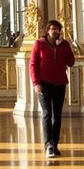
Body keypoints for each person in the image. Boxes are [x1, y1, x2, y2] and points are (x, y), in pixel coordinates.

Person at [29, 19, 76, 158]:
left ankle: (55, 144)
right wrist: (36, 83)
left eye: (57, 29)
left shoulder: (64, 44)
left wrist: (66, 46)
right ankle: (48, 145)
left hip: (60, 83)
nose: (54, 31)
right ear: (47, 30)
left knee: (57, 115)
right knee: (47, 113)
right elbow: (33, 64)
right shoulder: (39, 44)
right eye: (52, 29)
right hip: (44, 83)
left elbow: (71, 62)